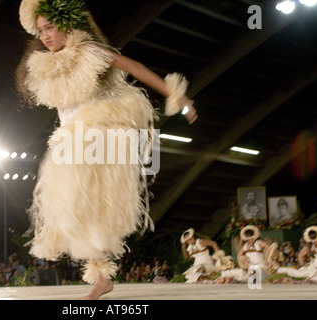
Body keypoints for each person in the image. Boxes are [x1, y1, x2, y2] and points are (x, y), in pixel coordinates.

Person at [16, 0, 197, 300]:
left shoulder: (91, 52)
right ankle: (101, 277)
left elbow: (135, 68)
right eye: (41, 30)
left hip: (100, 135)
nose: (45, 35)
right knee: (76, 212)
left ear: (67, 25)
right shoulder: (45, 64)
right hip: (71, 142)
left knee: (93, 207)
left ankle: (102, 276)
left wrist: (179, 96)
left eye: (50, 27)